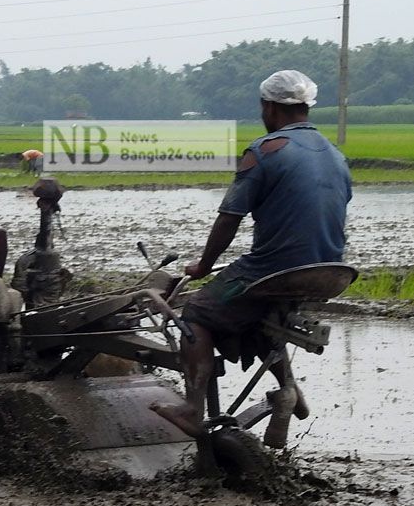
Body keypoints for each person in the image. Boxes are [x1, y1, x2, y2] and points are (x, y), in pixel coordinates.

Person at [149, 69, 352, 449]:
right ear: (306, 107)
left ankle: (192, 410)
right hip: (329, 270)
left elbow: (229, 219)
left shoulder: (264, 151)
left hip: (277, 270)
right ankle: (288, 391)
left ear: (269, 107)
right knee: (259, 314)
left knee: (198, 313)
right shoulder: (335, 155)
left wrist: (204, 266)